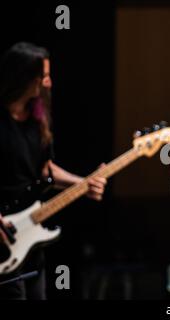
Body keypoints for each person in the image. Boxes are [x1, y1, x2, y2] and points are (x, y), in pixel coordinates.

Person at [0, 42, 107, 300]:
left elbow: (45, 170)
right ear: (23, 76)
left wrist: (83, 183)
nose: (48, 83)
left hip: (29, 238)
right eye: (43, 76)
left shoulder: (38, 120)